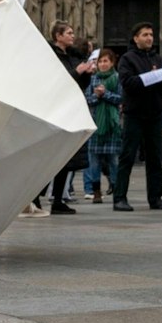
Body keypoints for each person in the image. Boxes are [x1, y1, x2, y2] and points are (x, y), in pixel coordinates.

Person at [112, 23, 162, 211]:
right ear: (136, 38)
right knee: (127, 156)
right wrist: (150, 77)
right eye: (145, 34)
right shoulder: (127, 59)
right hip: (134, 114)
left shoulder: (158, 59)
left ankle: (156, 198)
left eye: (151, 34)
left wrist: (158, 79)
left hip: (154, 114)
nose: (149, 38)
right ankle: (119, 198)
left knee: (155, 158)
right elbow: (128, 83)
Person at [47, 22, 96, 214]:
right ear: (58, 36)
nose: (73, 36)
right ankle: (35, 200)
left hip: (71, 109)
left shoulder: (73, 56)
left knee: (66, 157)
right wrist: (78, 71)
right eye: (68, 33)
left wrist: (87, 74)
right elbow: (56, 81)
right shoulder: (50, 55)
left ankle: (58, 200)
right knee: (49, 158)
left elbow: (80, 84)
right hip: (55, 109)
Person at [85, 49, 123, 203]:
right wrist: (96, 95)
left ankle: (116, 189)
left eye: (106, 61)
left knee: (114, 160)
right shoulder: (93, 79)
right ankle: (96, 191)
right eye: (100, 61)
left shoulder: (118, 78)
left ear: (112, 63)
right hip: (96, 124)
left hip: (112, 124)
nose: (102, 64)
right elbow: (88, 100)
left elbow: (121, 98)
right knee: (94, 161)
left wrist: (105, 94)